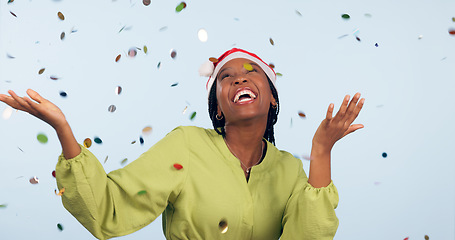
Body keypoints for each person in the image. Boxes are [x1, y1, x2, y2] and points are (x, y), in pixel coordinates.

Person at [0, 48, 365, 240]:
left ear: (272, 98)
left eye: (251, 74)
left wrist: (321, 150)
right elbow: (108, 210)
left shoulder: (288, 169)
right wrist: (62, 127)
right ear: (217, 107)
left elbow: (310, 236)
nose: (239, 80)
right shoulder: (187, 146)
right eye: (226, 77)